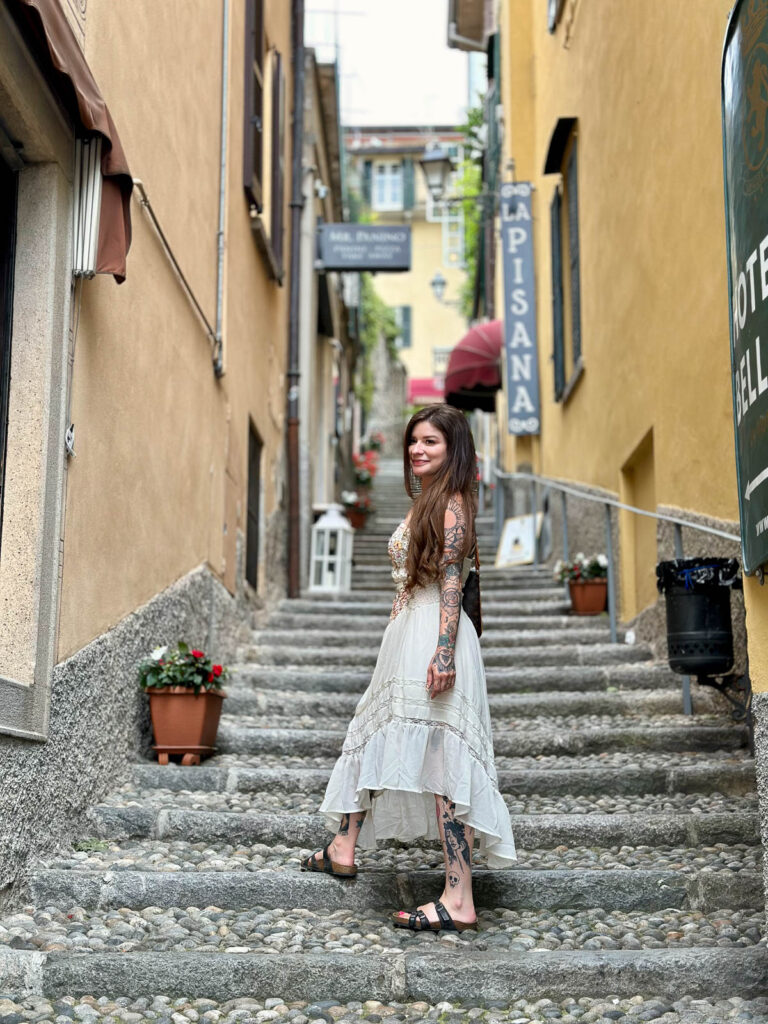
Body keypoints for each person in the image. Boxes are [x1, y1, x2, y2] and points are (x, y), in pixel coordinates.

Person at [302, 404, 516, 933]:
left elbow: (449, 584)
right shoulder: (430, 501)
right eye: (413, 441)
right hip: (407, 635)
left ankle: (459, 897)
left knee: (442, 758)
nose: (417, 449)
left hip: (433, 636)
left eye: (431, 442)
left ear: (454, 449)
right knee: (375, 733)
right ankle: (343, 845)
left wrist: (443, 651)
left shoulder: (454, 504)